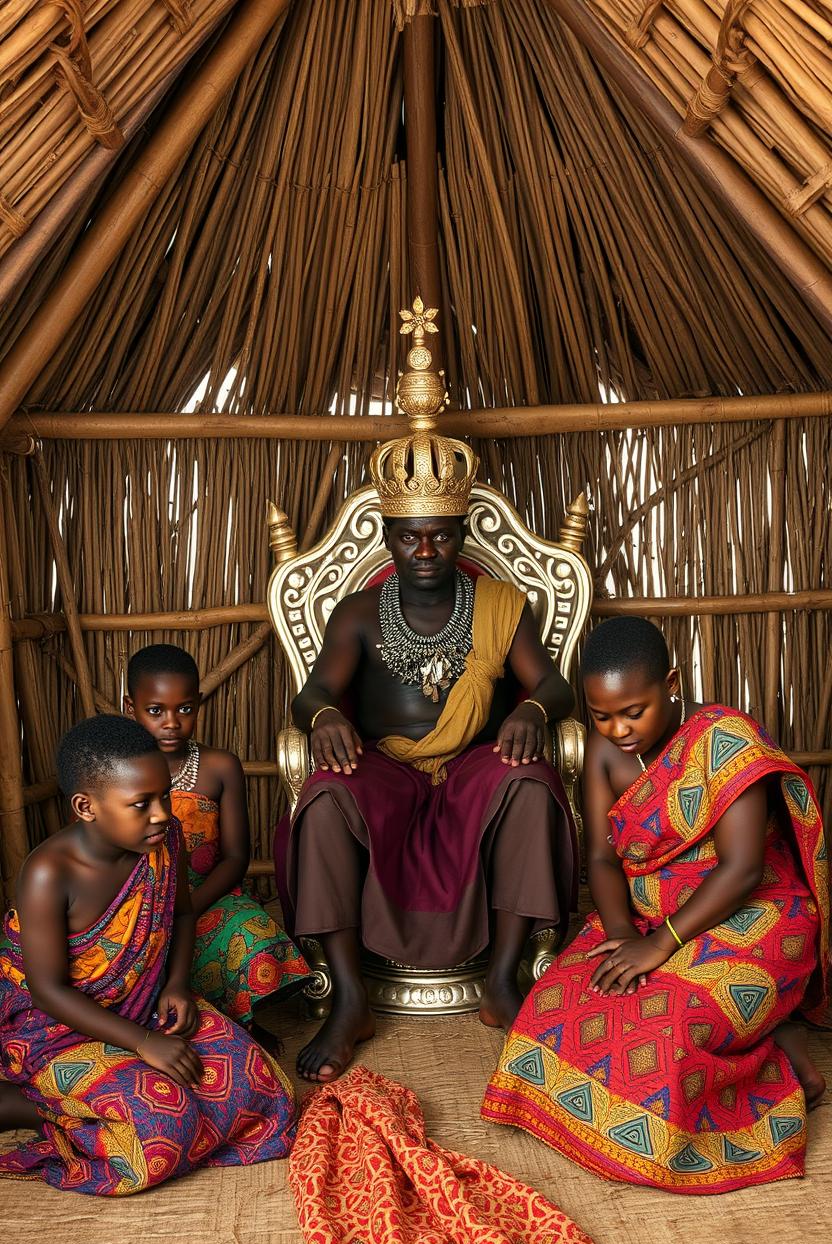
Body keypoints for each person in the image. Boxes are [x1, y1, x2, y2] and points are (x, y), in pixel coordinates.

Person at [275, 313, 578, 1083]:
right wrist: (328, 715)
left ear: (460, 528)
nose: (426, 552)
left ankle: (504, 978)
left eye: (441, 535)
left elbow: (552, 680)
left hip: (475, 765)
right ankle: (349, 997)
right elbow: (309, 691)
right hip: (390, 768)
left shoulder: (501, 603)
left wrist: (534, 710)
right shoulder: (356, 613)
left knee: (533, 781)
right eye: (409, 537)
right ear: (385, 534)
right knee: (322, 794)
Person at [483, 617, 829, 1194]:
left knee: (664, 1034)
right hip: (646, 913)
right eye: (601, 715)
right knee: (551, 1012)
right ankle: (772, 1038)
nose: (618, 729)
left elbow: (742, 869)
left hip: (756, 914)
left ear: (671, 682)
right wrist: (620, 933)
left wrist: (659, 944)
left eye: (633, 712)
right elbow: (601, 858)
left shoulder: (725, 742)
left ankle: (775, 1072)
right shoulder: (603, 751)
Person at [0, 715, 296, 1195]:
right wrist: (142, 1043)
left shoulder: (164, 838)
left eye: (163, 796)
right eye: (141, 803)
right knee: (161, 1129)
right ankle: (28, 1106)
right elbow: (48, 990)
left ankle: (90, 1101)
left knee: (261, 1089)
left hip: (143, 1008)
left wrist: (177, 984)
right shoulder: (48, 874)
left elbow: (181, 915)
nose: (161, 813)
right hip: (55, 1028)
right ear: (86, 806)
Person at [125, 644, 309, 1036]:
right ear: (131, 708)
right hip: (139, 901)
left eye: (184, 709)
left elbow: (235, 857)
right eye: (155, 711)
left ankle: (236, 1018)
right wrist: (156, 911)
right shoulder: (117, 772)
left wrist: (188, 905)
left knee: (255, 936)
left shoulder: (219, 766)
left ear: (199, 704)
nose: (171, 722)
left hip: (207, 897)